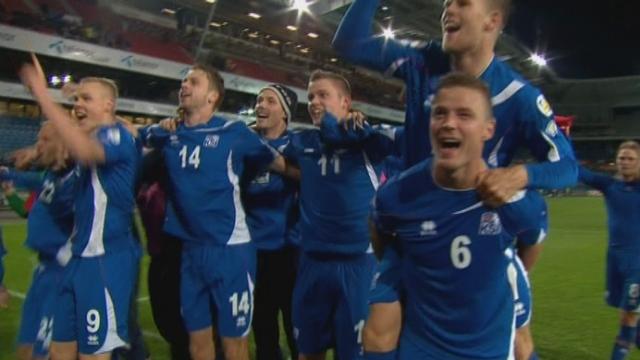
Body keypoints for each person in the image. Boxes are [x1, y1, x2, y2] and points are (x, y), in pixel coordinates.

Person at [333, 1, 578, 358]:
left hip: (481, 238)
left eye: (462, 2)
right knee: (378, 336)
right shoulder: (423, 61)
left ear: (493, 21)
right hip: (414, 228)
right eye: (446, 2)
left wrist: (519, 175)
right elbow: (349, 44)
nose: (448, 9)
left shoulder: (518, 96)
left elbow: (567, 165)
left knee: (515, 342)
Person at [371, 73, 547, 359]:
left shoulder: (517, 200)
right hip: (421, 349)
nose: (448, 123)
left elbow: (532, 239)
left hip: (490, 350)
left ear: (488, 129)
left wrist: (494, 275)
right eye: (439, 113)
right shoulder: (398, 194)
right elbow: (380, 230)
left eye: (464, 115)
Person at [139, 64, 296, 360]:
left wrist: (313, 183)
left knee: (234, 345)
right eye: (183, 81)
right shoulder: (168, 134)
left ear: (212, 96)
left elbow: (279, 165)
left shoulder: (234, 133)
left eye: (193, 82)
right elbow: (126, 136)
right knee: (197, 344)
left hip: (231, 253)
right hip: (190, 255)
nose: (184, 86)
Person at [20, 55, 140, 360]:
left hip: (106, 262)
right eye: (77, 99)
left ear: (108, 106)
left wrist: (43, 97)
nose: (78, 104)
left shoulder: (116, 137)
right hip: (76, 261)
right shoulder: (78, 157)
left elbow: (86, 150)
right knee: (59, 353)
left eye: (87, 98)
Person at [279, 69, 396, 360]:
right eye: (310, 97)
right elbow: (274, 154)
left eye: (323, 95)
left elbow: (401, 140)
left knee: (354, 355)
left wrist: (361, 127)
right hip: (312, 264)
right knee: (308, 352)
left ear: (346, 102)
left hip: (358, 265)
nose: (314, 102)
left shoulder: (367, 143)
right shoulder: (302, 142)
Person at [0, 122, 75, 360]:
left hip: (62, 274)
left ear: (63, 144)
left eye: (43, 140)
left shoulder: (75, 179)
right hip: (42, 273)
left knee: (47, 353)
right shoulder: (50, 176)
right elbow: (31, 180)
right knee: (26, 347)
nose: (37, 146)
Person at [242, 84, 300, 360]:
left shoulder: (299, 144)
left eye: (270, 101)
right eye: (259, 100)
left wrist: (272, 159)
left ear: (285, 113)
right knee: (263, 333)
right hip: (255, 253)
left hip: (291, 253)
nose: (261, 106)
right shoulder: (244, 146)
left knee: (298, 330)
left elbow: (312, 178)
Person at [578, 141, 640, 360]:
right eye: (622, 158)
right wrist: (562, 138)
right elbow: (579, 172)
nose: (624, 162)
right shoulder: (610, 185)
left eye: (630, 158)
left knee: (628, 318)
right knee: (630, 315)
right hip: (615, 260)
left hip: (637, 263)